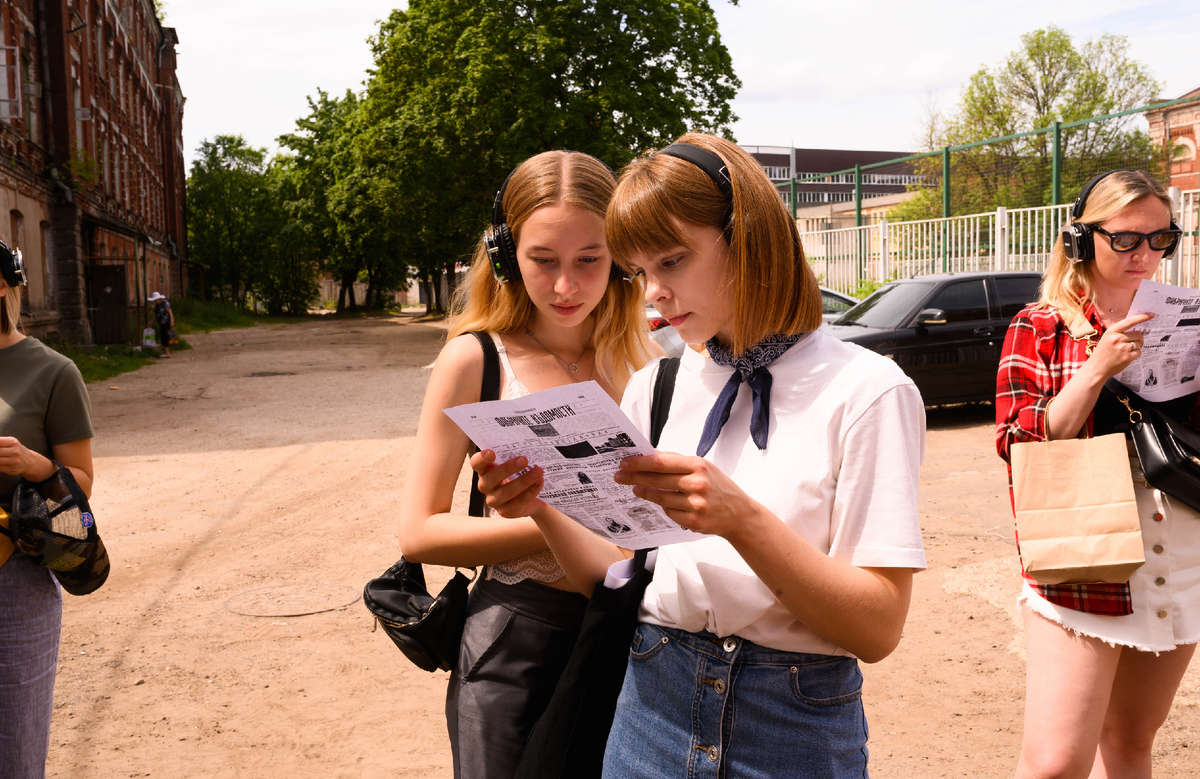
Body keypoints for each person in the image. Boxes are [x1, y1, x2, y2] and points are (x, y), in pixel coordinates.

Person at [472, 134, 927, 777]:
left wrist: (741, 519)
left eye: (674, 261)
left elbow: (877, 630)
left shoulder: (869, 390)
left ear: (748, 238)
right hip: (648, 710)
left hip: (790, 728)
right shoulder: (655, 385)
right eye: (641, 271)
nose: (653, 291)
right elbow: (615, 577)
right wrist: (543, 502)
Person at [397, 150, 656, 779]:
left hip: (632, 635)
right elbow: (419, 532)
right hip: (517, 642)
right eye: (544, 260)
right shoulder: (475, 359)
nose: (567, 286)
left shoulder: (648, 360)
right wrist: (558, 520)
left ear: (620, 255)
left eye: (589, 260)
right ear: (506, 253)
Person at [995, 169, 1196, 779]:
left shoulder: (1182, 316)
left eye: (1162, 239)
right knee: (1056, 763)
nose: (1146, 255)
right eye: (1128, 239)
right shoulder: (1041, 324)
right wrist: (1096, 368)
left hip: (1180, 553)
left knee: (1132, 740)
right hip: (1085, 554)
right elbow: (1018, 442)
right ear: (1082, 240)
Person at [0, 238, 95, 777]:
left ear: (5, 287)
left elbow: (80, 484)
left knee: (14, 748)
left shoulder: (53, 371)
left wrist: (33, 465)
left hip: (15, 578)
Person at [148, 291, 173, 357]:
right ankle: (166, 352)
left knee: (165, 336)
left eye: (155, 300)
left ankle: (167, 353)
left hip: (166, 322)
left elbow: (170, 312)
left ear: (158, 299)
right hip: (161, 323)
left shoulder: (165, 303)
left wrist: (172, 321)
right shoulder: (157, 305)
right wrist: (151, 321)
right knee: (163, 336)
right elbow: (157, 315)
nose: (154, 301)